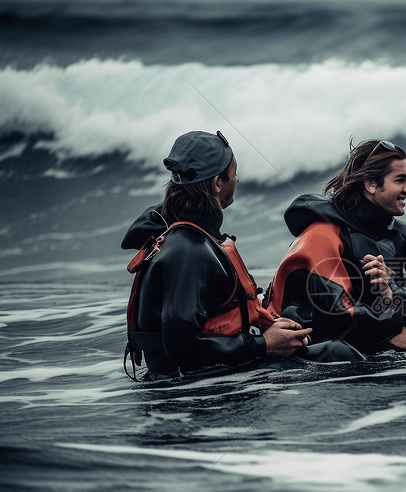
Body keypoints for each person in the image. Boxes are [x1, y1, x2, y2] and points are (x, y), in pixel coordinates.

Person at [122, 130, 361, 380]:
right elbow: (182, 348)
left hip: (204, 377)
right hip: (194, 388)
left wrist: (271, 333)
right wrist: (264, 345)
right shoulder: (187, 250)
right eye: (233, 173)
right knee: (336, 353)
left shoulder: (190, 238)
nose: (237, 179)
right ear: (216, 183)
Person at [265, 139, 406, 357]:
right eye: (400, 180)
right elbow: (335, 314)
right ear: (371, 184)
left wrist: (395, 288)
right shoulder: (322, 234)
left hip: (375, 330)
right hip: (317, 343)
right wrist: (389, 329)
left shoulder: (404, 234)